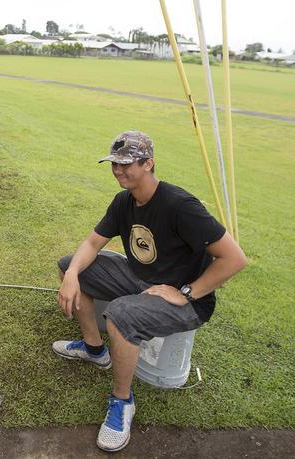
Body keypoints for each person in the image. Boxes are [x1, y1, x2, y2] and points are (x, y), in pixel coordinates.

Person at [52, 130, 247, 452]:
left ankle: (122, 402)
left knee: (120, 315)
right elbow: (92, 243)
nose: (118, 171)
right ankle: (94, 349)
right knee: (69, 265)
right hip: (140, 276)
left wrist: (186, 293)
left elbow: (235, 258)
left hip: (187, 299)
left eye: (126, 164)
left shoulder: (179, 205)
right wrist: (72, 274)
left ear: (148, 164)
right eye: (114, 164)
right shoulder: (124, 201)